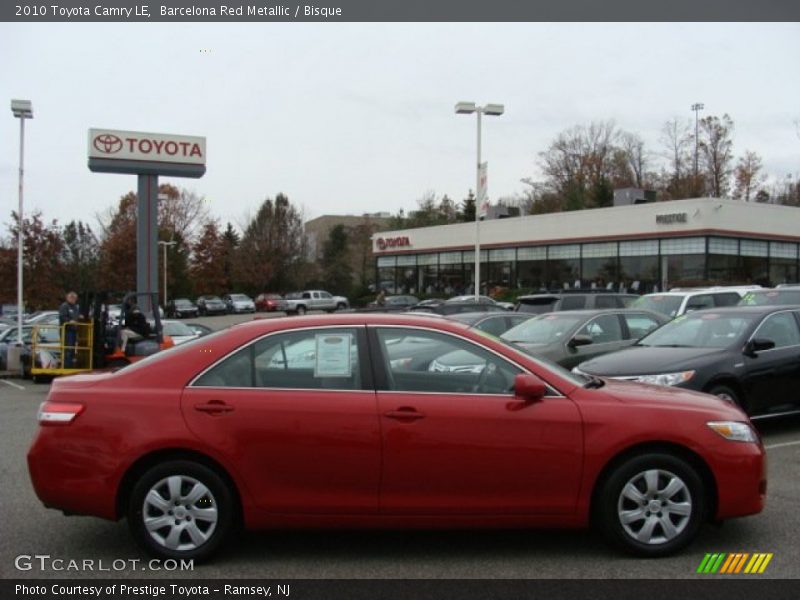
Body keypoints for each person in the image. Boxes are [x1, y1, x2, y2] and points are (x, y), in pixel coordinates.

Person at [58, 291, 80, 368]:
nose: (73, 299)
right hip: (66, 331)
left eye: (74, 298)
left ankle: (70, 364)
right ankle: (66, 365)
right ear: (68, 298)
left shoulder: (75, 307)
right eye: (71, 297)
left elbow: (76, 316)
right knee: (67, 348)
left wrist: (80, 317)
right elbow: (62, 317)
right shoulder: (64, 306)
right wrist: (69, 321)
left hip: (74, 330)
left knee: (72, 348)